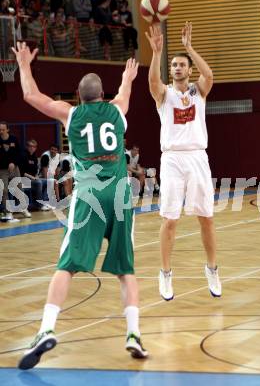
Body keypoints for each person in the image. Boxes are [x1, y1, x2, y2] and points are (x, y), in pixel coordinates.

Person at [12, 41, 148, 370]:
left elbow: (32, 97)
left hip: (88, 195)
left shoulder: (70, 113)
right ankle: (133, 334)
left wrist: (25, 65)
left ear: (78, 93)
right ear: (103, 94)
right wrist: (128, 78)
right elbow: (125, 94)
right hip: (118, 195)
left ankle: (46, 327)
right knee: (126, 269)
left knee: (67, 264)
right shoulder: (117, 110)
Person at [145, 23, 222, 300]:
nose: (177, 67)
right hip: (173, 159)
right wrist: (156, 53)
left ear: (189, 70)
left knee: (207, 218)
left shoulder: (198, 92)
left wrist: (190, 48)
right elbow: (153, 82)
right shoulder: (164, 94)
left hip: (198, 157)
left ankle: (212, 269)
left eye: (182, 65)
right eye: (174, 64)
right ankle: (165, 274)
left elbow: (209, 74)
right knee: (169, 220)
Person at [0, 121, 31, 221]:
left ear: (7, 129)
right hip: (2, 170)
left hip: (14, 168)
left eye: (3, 129)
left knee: (19, 188)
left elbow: (21, 154)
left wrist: (13, 162)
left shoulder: (14, 139)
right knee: (4, 190)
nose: (1, 131)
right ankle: (8, 212)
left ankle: (23, 208)